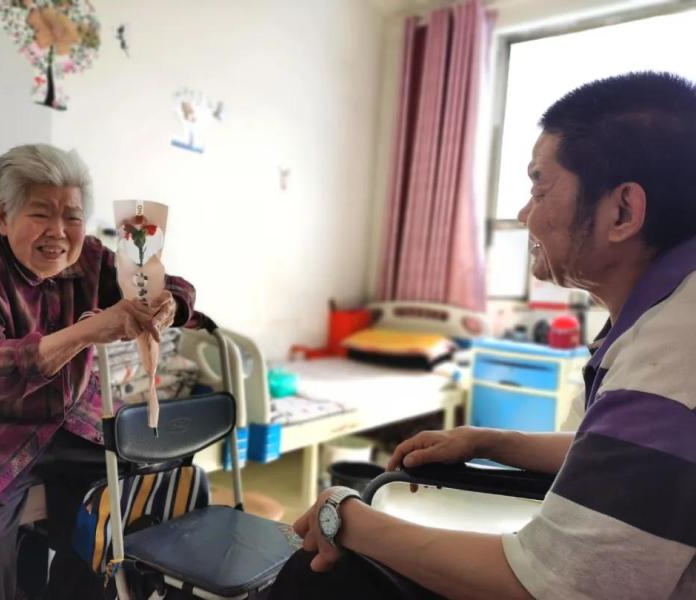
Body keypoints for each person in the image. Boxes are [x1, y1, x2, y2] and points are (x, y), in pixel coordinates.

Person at [271, 71, 696, 599]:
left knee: (321, 574)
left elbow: (553, 585)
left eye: (539, 188)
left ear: (623, 211)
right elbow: (623, 457)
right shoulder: (670, 316)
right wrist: (490, 441)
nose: (523, 215)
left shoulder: (677, 346)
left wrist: (346, 517)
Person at [0, 144, 202, 599]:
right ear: (2, 216)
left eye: (71, 217)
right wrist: (84, 333)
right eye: (40, 214)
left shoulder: (89, 257)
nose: (58, 232)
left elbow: (167, 285)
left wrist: (169, 301)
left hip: (63, 416)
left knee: (143, 487)